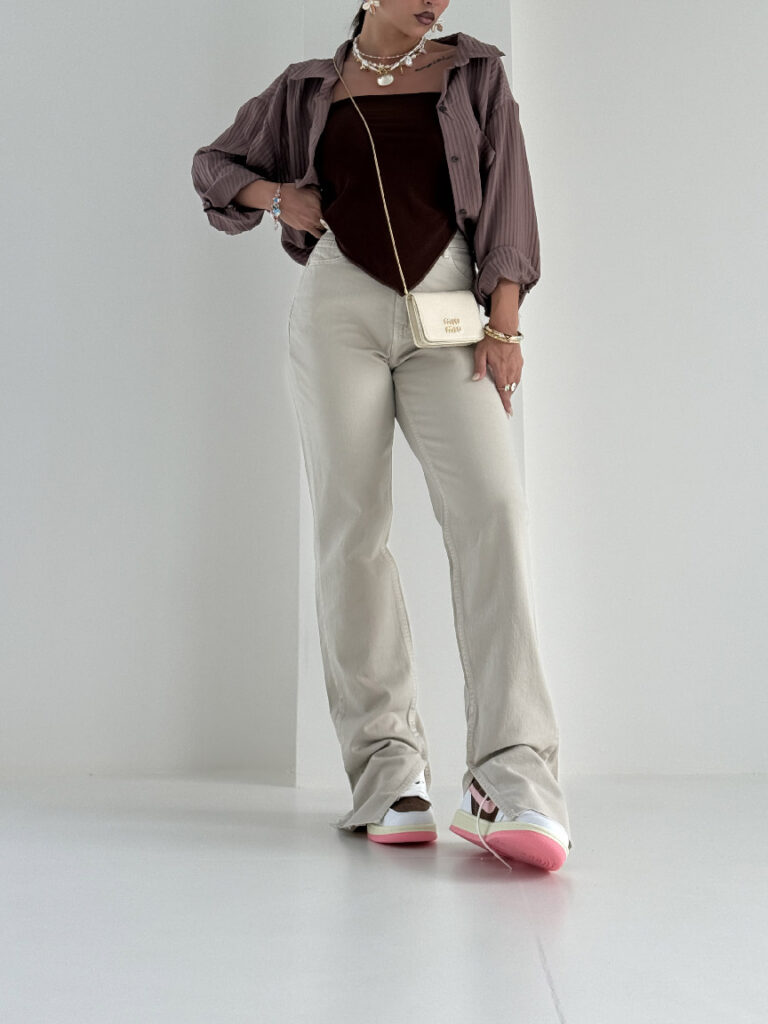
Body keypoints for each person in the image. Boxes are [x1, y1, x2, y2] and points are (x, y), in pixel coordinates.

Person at [191, 0, 573, 872]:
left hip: (451, 308)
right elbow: (212, 166)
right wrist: (278, 196)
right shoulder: (306, 89)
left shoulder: (475, 73)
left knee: (494, 514)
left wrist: (505, 324)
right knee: (351, 532)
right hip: (338, 310)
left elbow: (509, 198)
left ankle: (513, 779)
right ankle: (390, 777)